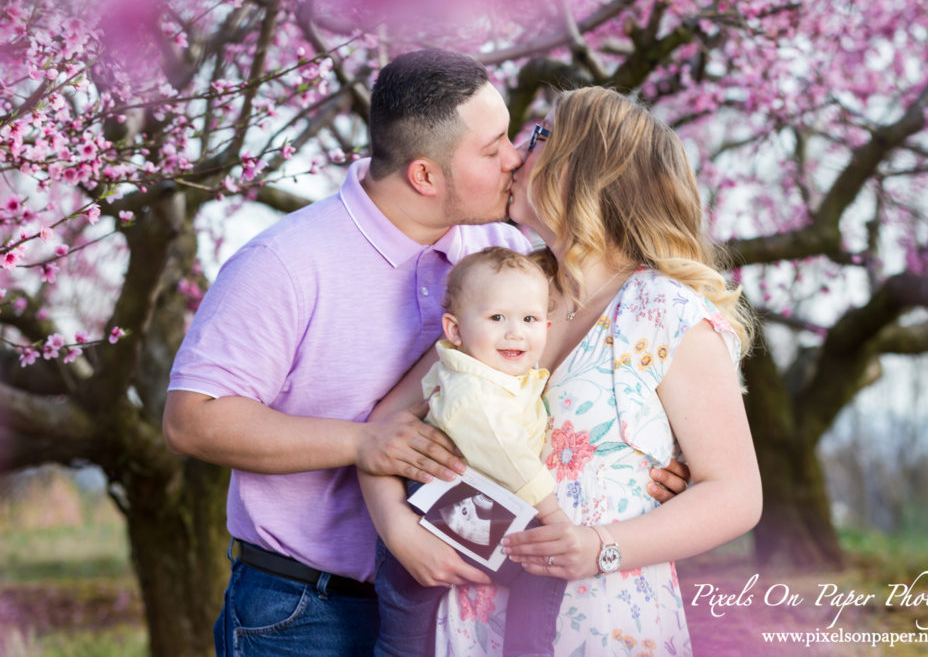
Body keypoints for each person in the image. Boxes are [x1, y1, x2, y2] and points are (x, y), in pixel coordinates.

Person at [161, 48, 687, 656]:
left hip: (461, 608)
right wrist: (362, 443)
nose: (516, 157)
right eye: (492, 151)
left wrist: (652, 467)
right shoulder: (285, 265)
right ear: (425, 176)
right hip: (308, 608)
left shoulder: (502, 251)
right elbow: (192, 419)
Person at [427, 86, 764, 655]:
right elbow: (397, 429)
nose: (515, 153)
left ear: (581, 168)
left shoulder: (665, 310)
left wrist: (600, 545)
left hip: (602, 619)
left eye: (538, 137)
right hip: (477, 611)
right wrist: (408, 522)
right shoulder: (507, 292)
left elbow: (735, 494)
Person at [364, 247, 570, 657]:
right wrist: (553, 513)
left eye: (529, 320)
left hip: (443, 503)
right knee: (543, 565)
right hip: (446, 506)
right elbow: (507, 454)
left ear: (546, 325)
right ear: (454, 330)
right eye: (497, 318)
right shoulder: (471, 390)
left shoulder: (492, 375)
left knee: (405, 639)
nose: (515, 332)